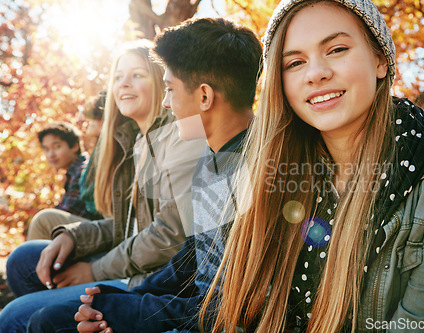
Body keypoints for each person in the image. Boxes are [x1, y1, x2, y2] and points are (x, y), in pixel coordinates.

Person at [196, 0, 424, 332]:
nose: (316, 73)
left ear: (381, 59)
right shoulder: (269, 178)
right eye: (295, 62)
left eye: (337, 49)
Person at [24, 17, 262, 333]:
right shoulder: (212, 157)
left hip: (208, 320)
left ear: (204, 97)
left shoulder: (248, 172)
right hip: (184, 305)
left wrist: (126, 310)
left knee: (40, 322)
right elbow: (190, 255)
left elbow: (225, 312)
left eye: (170, 89)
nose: (167, 102)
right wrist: (132, 295)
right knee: (51, 315)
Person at [0, 40, 203, 333]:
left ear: (164, 82)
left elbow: (169, 235)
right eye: (118, 77)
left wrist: (94, 270)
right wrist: (75, 237)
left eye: (137, 75)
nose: (124, 84)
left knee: (13, 317)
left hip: (149, 277)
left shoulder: (179, 136)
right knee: (23, 260)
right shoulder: (138, 142)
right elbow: (129, 226)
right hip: (131, 261)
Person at [26, 92, 106, 241]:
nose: (51, 154)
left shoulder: (82, 169)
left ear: (75, 146)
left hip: (99, 230)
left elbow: (71, 211)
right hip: (88, 229)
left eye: (56, 147)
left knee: (43, 220)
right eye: (46, 149)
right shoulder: (73, 171)